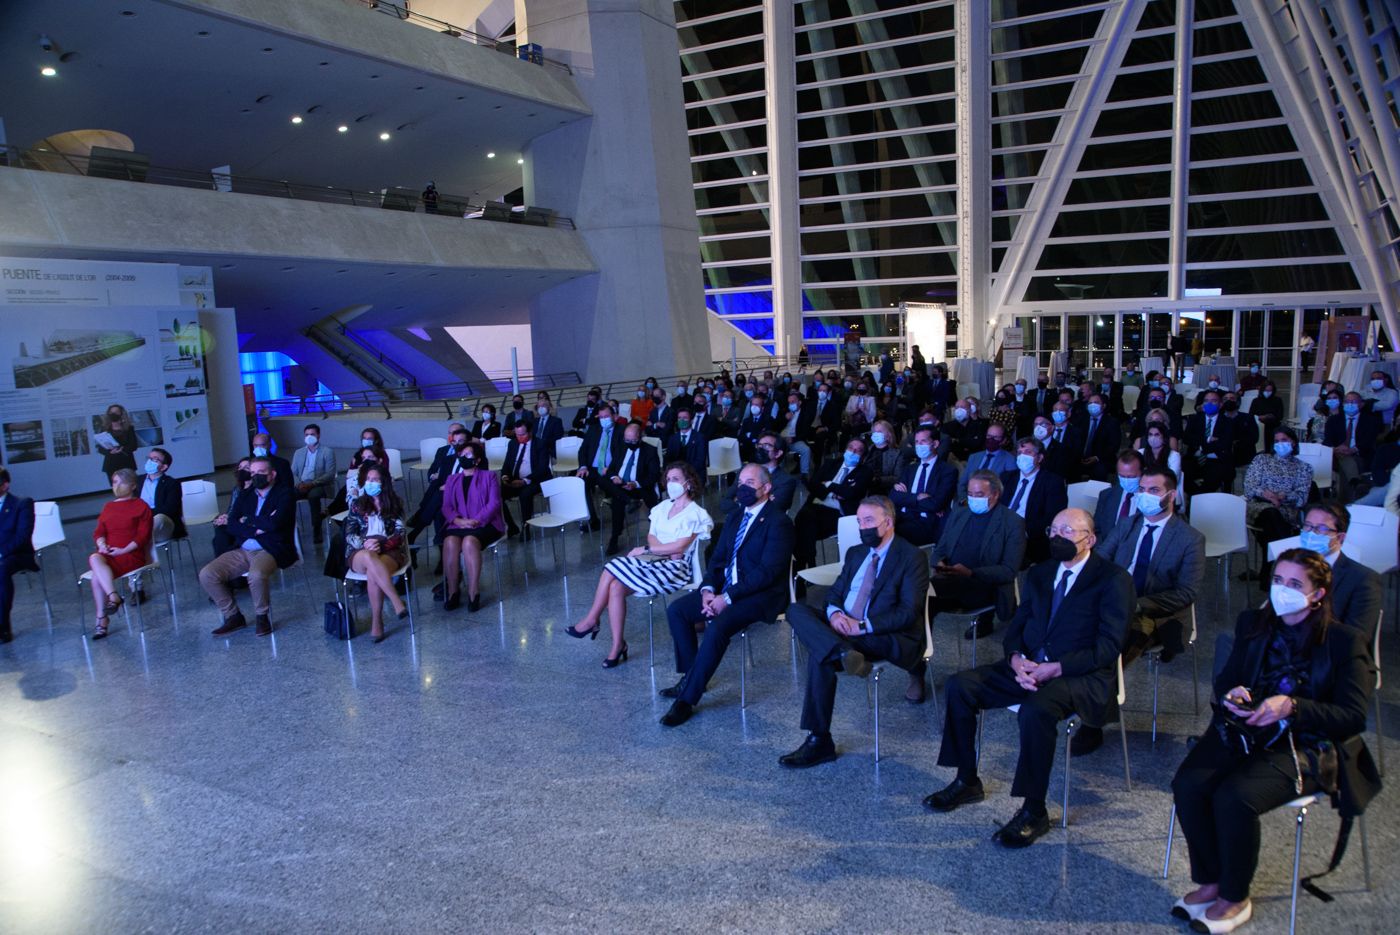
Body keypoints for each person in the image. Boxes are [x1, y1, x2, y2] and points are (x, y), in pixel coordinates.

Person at [1169, 550, 1371, 932]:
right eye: (1278, 581)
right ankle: (1211, 878)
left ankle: (1234, 894)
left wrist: (1293, 707)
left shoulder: (1344, 642)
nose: (1282, 591)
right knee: (1188, 784)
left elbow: (1353, 716)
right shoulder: (1254, 623)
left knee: (1235, 797)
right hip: (1249, 729)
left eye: (1295, 585)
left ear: (1318, 594)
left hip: (1307, 743)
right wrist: (1235, 694)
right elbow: (1227, 678)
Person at [923, 508, 1133, 848]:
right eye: (1054, 529)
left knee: (1036, 711)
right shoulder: (1041, 573)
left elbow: (1110, 645)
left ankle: (1034, 810)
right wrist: (1017, 659)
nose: (1058, 536)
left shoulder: (1112, 579)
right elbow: (1018, 626)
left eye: (1068, 531)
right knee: (960, 686)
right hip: (1030, 665)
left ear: (1090, 539)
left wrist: (1055, 667)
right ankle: (966, 779)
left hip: (1079, 674)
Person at [779, 496, 930, 766]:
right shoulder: (856, 553)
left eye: (869, 521)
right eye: (859, 522)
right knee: (795, 610)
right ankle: (842, 650)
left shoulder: (912, 557)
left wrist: (862, 626)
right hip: (843, 629)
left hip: (880, 632)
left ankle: (819, 741)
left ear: (889, 522)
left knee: (820, 654)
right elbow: (834, 593)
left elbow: (908, 612)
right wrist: (835, 614)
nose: (863, 528)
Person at [660, 464, 794, 726]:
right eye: (740, 482)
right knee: (677, 611)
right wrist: (708, 590)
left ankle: (687, 699)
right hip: (725, 588)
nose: (742, 488)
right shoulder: (734, 517)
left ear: (766, 488)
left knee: (718, 627)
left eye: (750, 483)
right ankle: (691, 676)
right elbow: (718, 559)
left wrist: (727, 598)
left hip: (760, 595)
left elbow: (767, 573)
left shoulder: (780, 522)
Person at [567, 462, 713, 669]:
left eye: (676, 479)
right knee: (615, 586)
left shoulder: (697, 514)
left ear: (688, 483)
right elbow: (652, 537)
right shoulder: (662, 507)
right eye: (668, 479)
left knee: (613, 566)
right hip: (655, 561)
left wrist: (649, 550)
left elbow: (680, 546)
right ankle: (617, 644)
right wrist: (658, 549)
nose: (671, 483)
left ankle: (592, 620)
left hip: (676, 569)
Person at [1095, 466, 1204, 671]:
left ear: (1171, 496)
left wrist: (1136, 604)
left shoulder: (1190, 539)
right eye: (1142, 489)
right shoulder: (1128, 524)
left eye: (1153, 490)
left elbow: (1186, 592)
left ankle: (1099, 692)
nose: (1145, 495)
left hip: (1154, 612)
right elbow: (1100, 558)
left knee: (1116, 642)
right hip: (1115, 599)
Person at [199, 457, 296, 638]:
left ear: (272, 474)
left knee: (256, 575)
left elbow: (276, 524)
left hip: (271, 548)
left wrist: (248, 520)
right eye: (253, 473)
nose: (256, 476)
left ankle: (262, 616)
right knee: (207, 574)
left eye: (261, 473)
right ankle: (232, 615)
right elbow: (232, 524)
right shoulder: (246, 494)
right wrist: (257, 527)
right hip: (243, 548)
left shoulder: (285, 494)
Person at [928, 470, 1025, 644]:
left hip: (984, 586)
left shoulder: (1013, 523)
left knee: (926, 594)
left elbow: (1009, 571)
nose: (973, 499)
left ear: (995, 494)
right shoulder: (959, 514)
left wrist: (971, 573)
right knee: (919, 594)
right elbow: (938, 549)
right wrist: (939, 562)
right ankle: (919, 653)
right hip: (950, 579)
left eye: (979, 494)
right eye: (970, 494)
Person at [343, 463, 410, 641]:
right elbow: (349, 533)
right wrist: (365, 543)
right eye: (368, 480)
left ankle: (377, 621)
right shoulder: (357, 504)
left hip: (389, 550)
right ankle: (396, 601)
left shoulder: (395, 503)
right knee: (368, 557)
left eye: (375, 480)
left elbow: (400, 532)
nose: (371, 482)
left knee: (374, 572)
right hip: (360, 552)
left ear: (383, 483)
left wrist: (382, 544)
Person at [1297, 503, 1381, 641]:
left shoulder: (1363, 579)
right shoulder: (1288, 568)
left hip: (1329, 654)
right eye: (1308, 526)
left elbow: (1355, 638)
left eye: (1321, 528)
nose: (1311, 533)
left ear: (1340, 538)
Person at [437, 440, 505, 612]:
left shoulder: (489, 476)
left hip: (486, 524)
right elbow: (446, 506)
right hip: (458, 523)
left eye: (468, 455)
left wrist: (476, 520)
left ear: (477, 459)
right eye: (461, 455)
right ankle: (453, 591)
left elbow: (494, 503)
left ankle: (473, 591)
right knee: (450, 542)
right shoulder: (452, 479)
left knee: (469, 541)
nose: (463, 458)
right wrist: (458, 520)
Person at [87, 469, 154, 639]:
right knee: (94, 556)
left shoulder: (141, 506)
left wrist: (123, 550)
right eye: (114, 482)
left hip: (131, 555)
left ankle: (102, 620)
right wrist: (101, 544)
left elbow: (143, 536)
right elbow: (99, 531)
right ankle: (113, 596)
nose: (115, 486)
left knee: (96, 576)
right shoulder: (109, 506)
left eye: (120, 482)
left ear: (132, 486)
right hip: (109, 554)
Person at [793, 439, 872, 573]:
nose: (852, 452)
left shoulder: (865, 472)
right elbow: (812, 484)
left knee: (802, 523)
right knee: (806, 521)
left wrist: (829, 485)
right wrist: (835, 493)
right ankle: (809, 562)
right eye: (850, 448)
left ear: (863, 456)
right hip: (815, 509)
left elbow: (851, 493)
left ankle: (804, 567)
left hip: (838, 514)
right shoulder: (831, 463)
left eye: (858, 450)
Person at [1244, 428, 1313, 561]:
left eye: (1284, 440)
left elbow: (1301, 498)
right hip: (1258, 506)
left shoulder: (1304, 467)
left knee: (1271, 528)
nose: (1280, 444)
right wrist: (1268, 495)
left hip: (1285, 509)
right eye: (1276, 441)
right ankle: (1288, 557)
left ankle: (1269, 567)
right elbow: (1249, 487)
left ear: (1293, 442)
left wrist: (1284, 496)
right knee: (1271, 513)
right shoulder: (1261, 460)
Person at [1001, 437, 1068, 566]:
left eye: (1028, 452)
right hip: (1001, 529)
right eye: (1019, 453)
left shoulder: (1053, 482)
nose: (1022, 456)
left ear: (1040, 458)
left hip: (1029, 535)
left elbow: (1052, 516)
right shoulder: (1007, 477)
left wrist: (1022, 532)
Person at [889, 426, 956, 547]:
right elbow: (894, 496)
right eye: (916, 442)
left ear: (935, 444)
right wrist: (918, 497)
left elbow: (936, 504)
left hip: (925, 523)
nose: (919, 445)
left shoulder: (947, 471)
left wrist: (907, 499)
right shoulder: (909, 469)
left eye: (923, 441)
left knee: (888, 536)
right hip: (901, 517)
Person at [603, 422, 661, 555]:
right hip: (621, 485)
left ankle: (615, 537)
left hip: (640, 486)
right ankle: (628, 502)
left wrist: (636, 483)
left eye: (633, 440)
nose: (629, 443)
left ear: (640, 437)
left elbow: (654, 475)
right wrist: (614, 478)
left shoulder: (650, 450)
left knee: (617, 500)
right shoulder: (621, 447)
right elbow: (611, 469)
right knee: (604, 480)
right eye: (627, 440)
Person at [408, 423, 470, 546]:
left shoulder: (473, 455)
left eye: (456, 433)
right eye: (450, 433)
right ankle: (440, 545)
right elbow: (434, 470)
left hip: (460, 493)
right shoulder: (444, 453)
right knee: (438, 508)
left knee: (438, 495)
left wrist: (447, 485)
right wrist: (435, 476)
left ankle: (417, 525)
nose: (452, 436)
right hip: (441, 486)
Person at [0, 469, 37, 642]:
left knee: (1, 569)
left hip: (16, 554)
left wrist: (1, 553)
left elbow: (22, 537)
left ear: (5, 485)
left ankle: (3, 627)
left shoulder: (22, 504)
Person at [1322, 391, 1379, 499]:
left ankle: (1343, 498)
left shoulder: (1371, 420)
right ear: (1343, 404)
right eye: (1347, 402)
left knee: (1348, 460)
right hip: (1336, 453)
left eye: (1353, 401)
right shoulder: (1333, 420)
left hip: (1360, 453)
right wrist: (1336, 449)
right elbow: (1327, 440)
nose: (1350, 404)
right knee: (1345, 457)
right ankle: (1355, 483)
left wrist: (1353, 449)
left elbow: (1369, 441)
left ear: (1361, 404)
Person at [576, 402, 623, 533]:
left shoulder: (621, 431)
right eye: (601, 417)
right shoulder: (593, 429)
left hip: (611, 470)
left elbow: (622, 455)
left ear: (614, 416)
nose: (604, 419)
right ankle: (592, 519)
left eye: (606, 416)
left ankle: (618, 515)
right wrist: (583, 466)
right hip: (592, 468)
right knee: (579, 482)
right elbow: (583, 450)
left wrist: (611, 469)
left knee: (610, 484)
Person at [500, 421, 551, 538]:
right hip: (515, 479)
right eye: (517, 435)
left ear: (530, 432)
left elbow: (542, 468)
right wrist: (505, 476)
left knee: (525, 493)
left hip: (536, 479)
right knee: (497, 493)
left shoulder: (540, 444)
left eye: (522, 434)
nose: (519, 437)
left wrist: (525, 480)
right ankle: (512, 527)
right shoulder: (512, 443)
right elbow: (507, 463)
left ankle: (526, 526)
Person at [1185, 389, 1238, 495]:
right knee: (1182, 472)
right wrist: (1208, 440)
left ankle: (1199, 500)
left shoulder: (1228, 422)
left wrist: (1201, 446)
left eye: (1213, 401)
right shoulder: (1194, 419)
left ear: (1220, 404)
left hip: (1218, 459)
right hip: (1195, 458)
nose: (1209, 403)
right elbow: (1187, 438)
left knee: (1214, 477)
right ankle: (1196, 498)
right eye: (1206, 401)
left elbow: (1224, 443)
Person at [290, 424, 336, 545]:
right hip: (301, 485)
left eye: (312, 434)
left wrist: (312, 484)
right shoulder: (298, 452)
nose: (309, 437)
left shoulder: (327, 452)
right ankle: (289, 529)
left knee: (314, 496)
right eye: (306, 435)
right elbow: (292, 472)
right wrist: (299, 484)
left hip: (319, 485)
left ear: (318, 435)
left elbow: (330, 474)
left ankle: (317, 530)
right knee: (286, 496)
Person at [137, 447, 186, 547]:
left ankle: (136, 542)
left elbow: (169, 510)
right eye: (149, 458)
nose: (149, 461)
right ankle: (136, 541)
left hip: (163, 525)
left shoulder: (172, 484)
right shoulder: (137, 481)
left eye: (155, 459)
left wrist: (144, 514)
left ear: (163, 467)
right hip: (140, 522)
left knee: (159, 518)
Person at [212, 458, 256, 558]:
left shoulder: (257, 489)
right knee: (220, 530)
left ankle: (224, 562)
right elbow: (231, 509)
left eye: (246, 467)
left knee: (222, 537)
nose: (242, 470)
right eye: (240, 467)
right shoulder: (237, 489)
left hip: (248, 524)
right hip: (235, 522)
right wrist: (224, 517)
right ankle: (225, 562)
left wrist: (232, 520)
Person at [1077, 393, 1121, 482]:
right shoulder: (1080, 420)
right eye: (1090, 403)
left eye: (1096, 402)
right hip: (1080, 457)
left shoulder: (1112, 422)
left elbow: (1114, 446)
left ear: (1103, 406)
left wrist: (1097, 457)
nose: (1092, 405)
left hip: (1101, 458)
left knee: (1100, 470)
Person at [664, 407, 708, 479]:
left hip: (694, 474)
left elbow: (700, 461)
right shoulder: (672, 438)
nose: (682, 420)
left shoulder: (700, 438)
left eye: (685, 418)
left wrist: (685, 473)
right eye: (679, 418)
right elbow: (668, 459)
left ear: (691, 420)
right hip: (676, 475)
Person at [97, 404, 139, 478]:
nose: (113, 414)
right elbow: (100, 449)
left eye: (116, 412)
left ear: (121, 413)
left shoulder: (129, 428)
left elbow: (134, 446)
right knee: (116, 488)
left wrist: (122, 449)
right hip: (111, 464)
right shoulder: (104, 429)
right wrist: (110, 452)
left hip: (127, 463)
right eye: (111, 412)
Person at [864, 420, 905, 493]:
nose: (876, 434)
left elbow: (898, 477)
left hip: (886, 491)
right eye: (874, 432)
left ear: (889, 434)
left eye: (880, 431)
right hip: (865, 491)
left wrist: (877, 480)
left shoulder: (898, 454)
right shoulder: (866, 451)